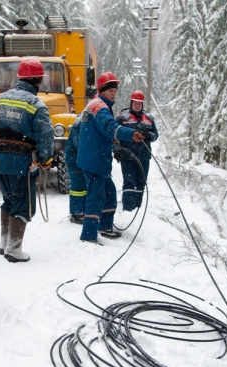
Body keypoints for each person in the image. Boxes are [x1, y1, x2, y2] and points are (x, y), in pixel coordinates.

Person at [0, 58, 54, 263]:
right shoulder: (36, 105)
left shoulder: (1, 99)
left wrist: (2, 147)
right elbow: (45, 136)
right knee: (23, 205)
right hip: (22, 163)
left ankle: (5, 244)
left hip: (0, 161)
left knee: (9, 200)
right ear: (37, 80)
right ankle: (14, 249)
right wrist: (45, 158)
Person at [77, 72, 145, 244]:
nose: (114, 94)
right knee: (96, 196)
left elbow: (96, 132)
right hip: (95, 160)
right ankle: (88, 235)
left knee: (109, 192)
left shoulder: (94, 105)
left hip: (94, 157)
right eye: (111, 90)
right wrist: (130, 134)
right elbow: (109, 127)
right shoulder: (100, 107)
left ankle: (105, 226)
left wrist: (113, 145)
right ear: (102, 90)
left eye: (115, 90)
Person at [114, 90, 159, 211]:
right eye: (135, 103)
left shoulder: (148, 118)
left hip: (144, 156)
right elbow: (115, 134)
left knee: (141, 182)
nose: (137, 105)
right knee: (129, 182)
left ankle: (137, 206)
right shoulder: (123, 117)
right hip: (127, 156)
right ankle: (128, 208)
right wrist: (117, 150)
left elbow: (155, 135)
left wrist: (148, 135)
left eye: (140, 103)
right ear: (131, 103)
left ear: (142, 104)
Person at [65, 114, 85, 224]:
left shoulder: (86, 119)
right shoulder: (81, 123)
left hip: (80, 157)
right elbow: (80, 144)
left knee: (83, 186)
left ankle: (82, 211)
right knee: (78, 187)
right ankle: (76, 213)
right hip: (75, 159)